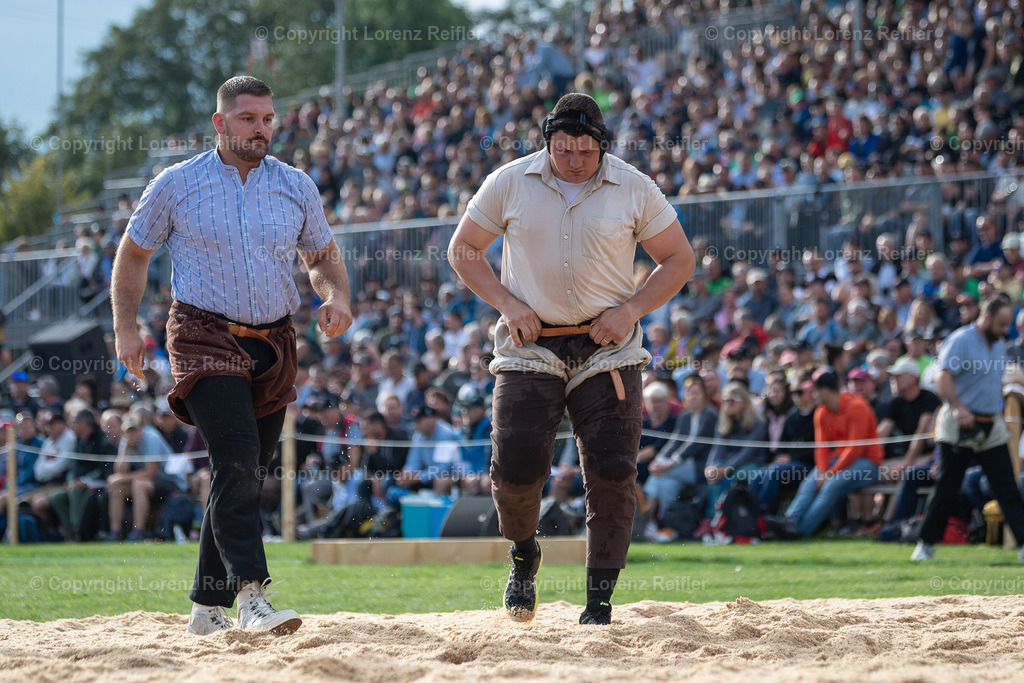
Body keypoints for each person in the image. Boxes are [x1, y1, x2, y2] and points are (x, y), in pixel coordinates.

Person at [111, 76, 353, 635]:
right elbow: (133, 255)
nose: (261, 128)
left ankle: (204, 609)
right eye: (248, 119)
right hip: (201, 334)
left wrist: (336, 294)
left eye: (268, 118)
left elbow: (322, 256)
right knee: (239, 455)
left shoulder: (296, 185)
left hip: (274, 339)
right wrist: (126, 330)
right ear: (220, 124)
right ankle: (252, 594)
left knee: (241, 471)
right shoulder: (177, 183)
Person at [449, 92, 695, 625]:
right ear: (548, 142)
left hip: (609, 346)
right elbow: (464, 249)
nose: (575, 160)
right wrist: (508, 304)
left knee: (611, 470)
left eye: (585, 150)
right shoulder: (510, 180)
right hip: (529, 343)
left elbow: (679, 258)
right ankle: (523, 554)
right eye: (563, 149)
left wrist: (631, 309)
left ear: (602, 145)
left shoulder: (633, 185)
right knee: (514, 465)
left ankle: (598, 601)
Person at [911, 297, 1024, 562]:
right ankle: (925, 543)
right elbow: (943, 377)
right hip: (958, 423)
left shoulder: (998, 344)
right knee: (947, 488)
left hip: (990, 424)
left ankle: (1022, 545)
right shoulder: (960, 340)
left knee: (1006, 486)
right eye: (1001, 324)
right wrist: (958, 406)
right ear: (986, 317)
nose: (1005, 330)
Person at [771, 367, 883, 538]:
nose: (811, 395)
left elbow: (855, 449)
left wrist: (830, 473)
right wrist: (823, 471)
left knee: (831, 485)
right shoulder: (821, 411)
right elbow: (822, 446)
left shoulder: (857, 407)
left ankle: (801, 531)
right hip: (838, 462)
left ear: (823, 390)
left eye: (813, 391)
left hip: (868, 463)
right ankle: (790, 521)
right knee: (810, 482)